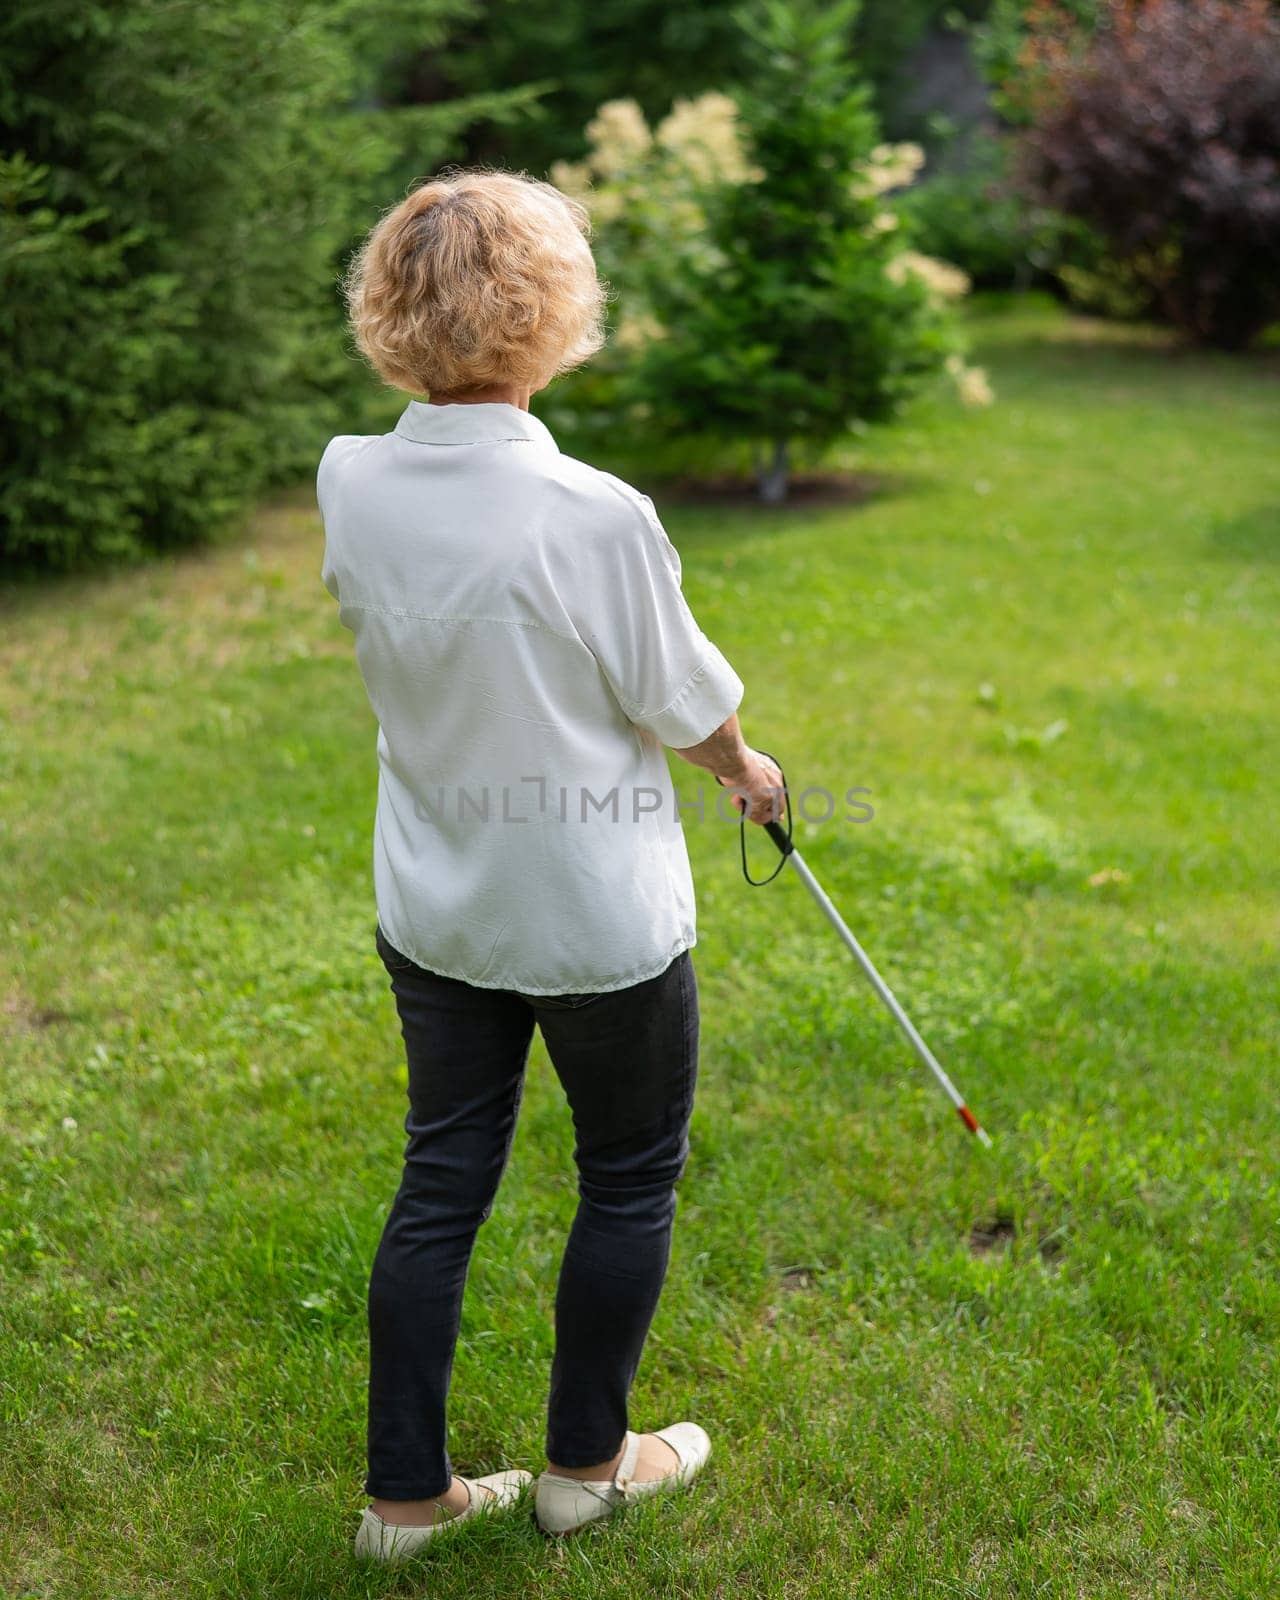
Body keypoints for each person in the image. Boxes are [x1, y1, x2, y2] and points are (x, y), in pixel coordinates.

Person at [316, 167, 784, 1565]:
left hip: (439, 896)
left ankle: (405, 1502)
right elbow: (682, 701)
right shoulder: (595, 513)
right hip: (593, 923)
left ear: (389, 310)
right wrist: (746, 771)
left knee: (443, 1175)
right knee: (628, 1175)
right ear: (551, 313)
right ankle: (588, 1465)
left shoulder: (351, 477)